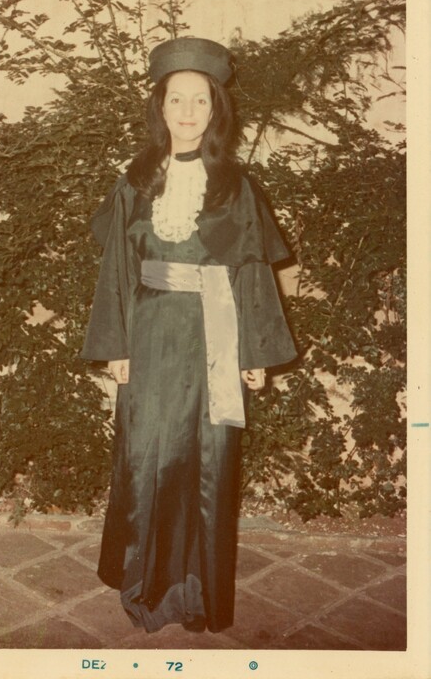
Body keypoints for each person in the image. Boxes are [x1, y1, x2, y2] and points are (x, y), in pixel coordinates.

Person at [81, 37, 297, 634]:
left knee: (208, 461)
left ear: (215, 109)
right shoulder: (135, 181)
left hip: (214, 338)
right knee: (146, 455)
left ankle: (196, 594)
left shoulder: (235, 185)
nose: (187, 111)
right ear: (160, 106)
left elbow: (252, 270)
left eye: (200, 100)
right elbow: (116, 267)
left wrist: (255, 354)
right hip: (150, 334)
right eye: (176, 98)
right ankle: (144, 581)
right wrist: (115, 347)